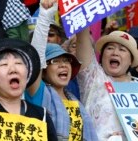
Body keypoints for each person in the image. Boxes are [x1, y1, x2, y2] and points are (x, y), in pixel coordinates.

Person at [25, 1, 98, 140]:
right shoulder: (39, 93)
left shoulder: (76, 98)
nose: (63, 65)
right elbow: (36, 59)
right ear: (44, 70)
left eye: (66, 61)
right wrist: (45, 16)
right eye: (55, 61)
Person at [0, 38, 58, 141]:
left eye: (18, 63)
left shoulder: (41, 115)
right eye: (4, 64)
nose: (13, 70)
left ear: (27, 74)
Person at [76, 27, 138, 140]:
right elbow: (82, 39)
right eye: (110, 48)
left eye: (122, 50)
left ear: (131, 60)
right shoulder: (94, 77)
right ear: (102, 56)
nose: (115, 53)